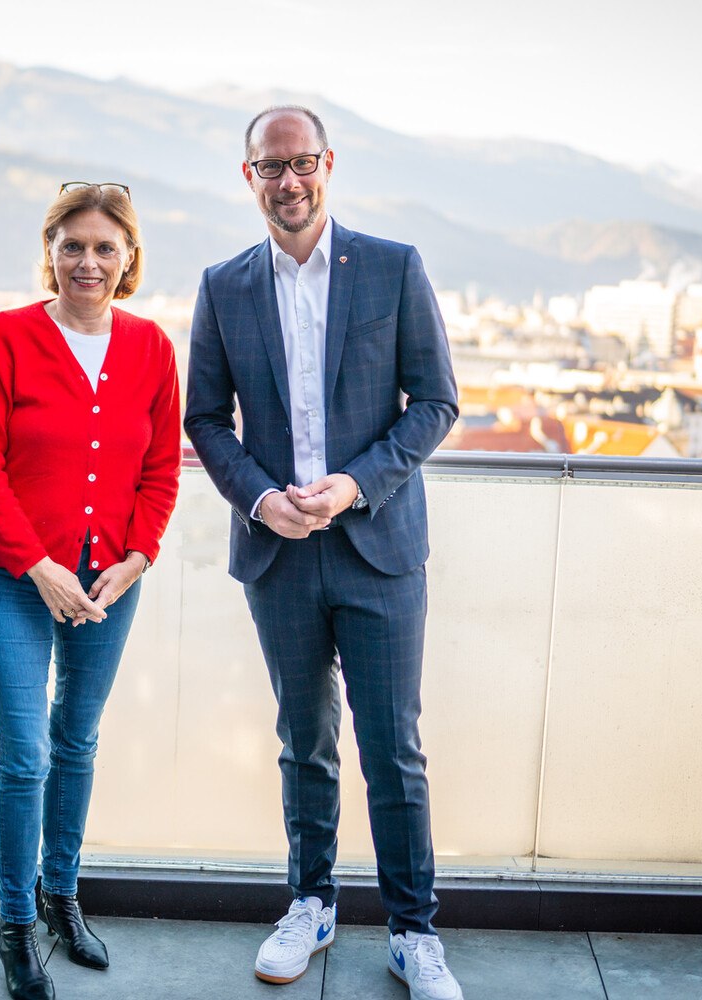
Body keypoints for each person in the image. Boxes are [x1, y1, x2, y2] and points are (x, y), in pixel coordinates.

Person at [183, 106, 463, 1000]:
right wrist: (262, 499)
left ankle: (414, 931)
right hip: (279, 555)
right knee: (304, 743)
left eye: (302, 163)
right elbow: (203, 419)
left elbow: (436, 403)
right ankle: (311, 903)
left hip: (379, 547)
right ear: (250, 177)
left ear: (328, 164)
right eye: (272, 167)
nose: (289, 181)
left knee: (393, 749)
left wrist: (354, 484)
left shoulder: (392, 266)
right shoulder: (223, 286)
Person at [0, 181, 181, 1000]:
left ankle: (62, 897)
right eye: (73, 245)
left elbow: (161, 468)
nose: (88, 261)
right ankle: (16, 924)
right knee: (26, 753)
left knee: (77, 741)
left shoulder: (152, 347)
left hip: (110, 578)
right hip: (11, 575)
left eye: (104, 248)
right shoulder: (6, 338)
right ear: (50, 251)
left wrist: (139, 557)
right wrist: (37, 565)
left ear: (128, 258)